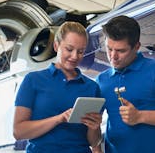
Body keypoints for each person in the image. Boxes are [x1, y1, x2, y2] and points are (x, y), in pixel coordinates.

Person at [95, 15, 155, 153]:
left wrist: (140, 116)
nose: (113, 56)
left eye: (121, 51)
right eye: (109, 49)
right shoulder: (101, 81)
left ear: (136, 47)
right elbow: (92, 129)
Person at [13, 21, 103, 153]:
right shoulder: (33, 80)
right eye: (69, 49)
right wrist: (59, 119)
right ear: (56, 46)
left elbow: (94, 142)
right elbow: (18, 132)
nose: (74, 56)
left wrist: (94, 127)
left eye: (80, 51)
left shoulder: (92, 87)